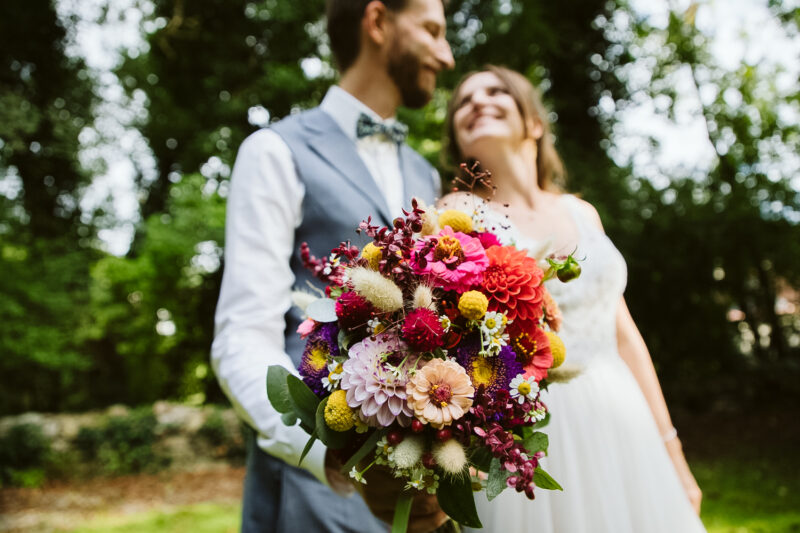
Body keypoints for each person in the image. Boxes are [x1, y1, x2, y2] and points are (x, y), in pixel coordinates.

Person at [211, 1, 454, 532]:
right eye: (433, 31)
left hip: (422, 493)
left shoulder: (425, 177)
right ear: (378, 21)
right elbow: (241, 338)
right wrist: (328, 454)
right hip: (308, 494)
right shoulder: (275, 151)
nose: (447, 55)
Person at [439, 65, 706, 533]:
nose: (478, 101)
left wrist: (673, 454)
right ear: (458, 140)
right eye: (464, 100)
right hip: (537, 431)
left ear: (535, 123)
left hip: (626, 420)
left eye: (497, 90)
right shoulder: (457, 217)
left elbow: (624, 335)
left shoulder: (582, 212)